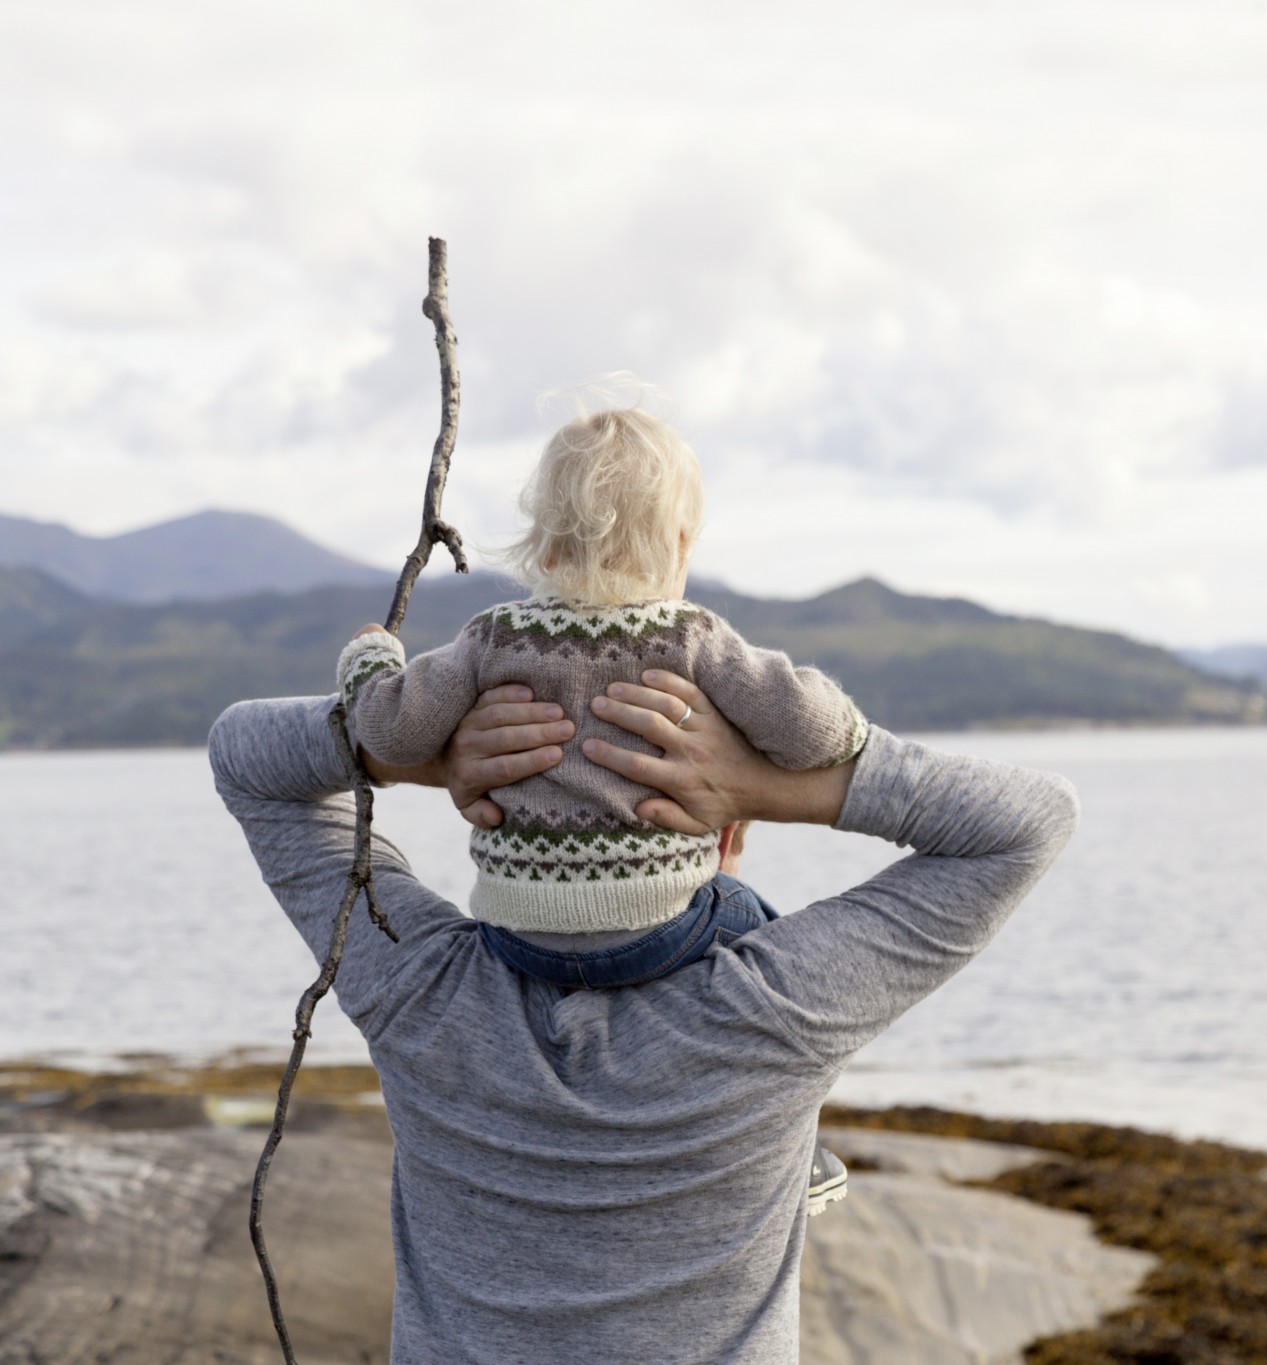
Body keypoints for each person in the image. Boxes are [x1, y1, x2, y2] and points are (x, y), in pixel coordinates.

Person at [210, 670, 1078, 1362]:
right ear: (725, 832)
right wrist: (769, 782)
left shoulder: (420, 986)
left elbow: (247, 758)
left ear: (499, 829)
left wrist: (422, 750)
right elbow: (1030, 822)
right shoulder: (771, 1012)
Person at [337, 404, 870, 1212]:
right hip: (661, 930)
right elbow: (812, 732)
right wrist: (847, 719)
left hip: (516, 937)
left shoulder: (493, 637)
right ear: (681, 545)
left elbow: (388, 729)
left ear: (544, 544)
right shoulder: (690, 635)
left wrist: (370, 659)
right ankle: (790, 1143)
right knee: (767, 941)